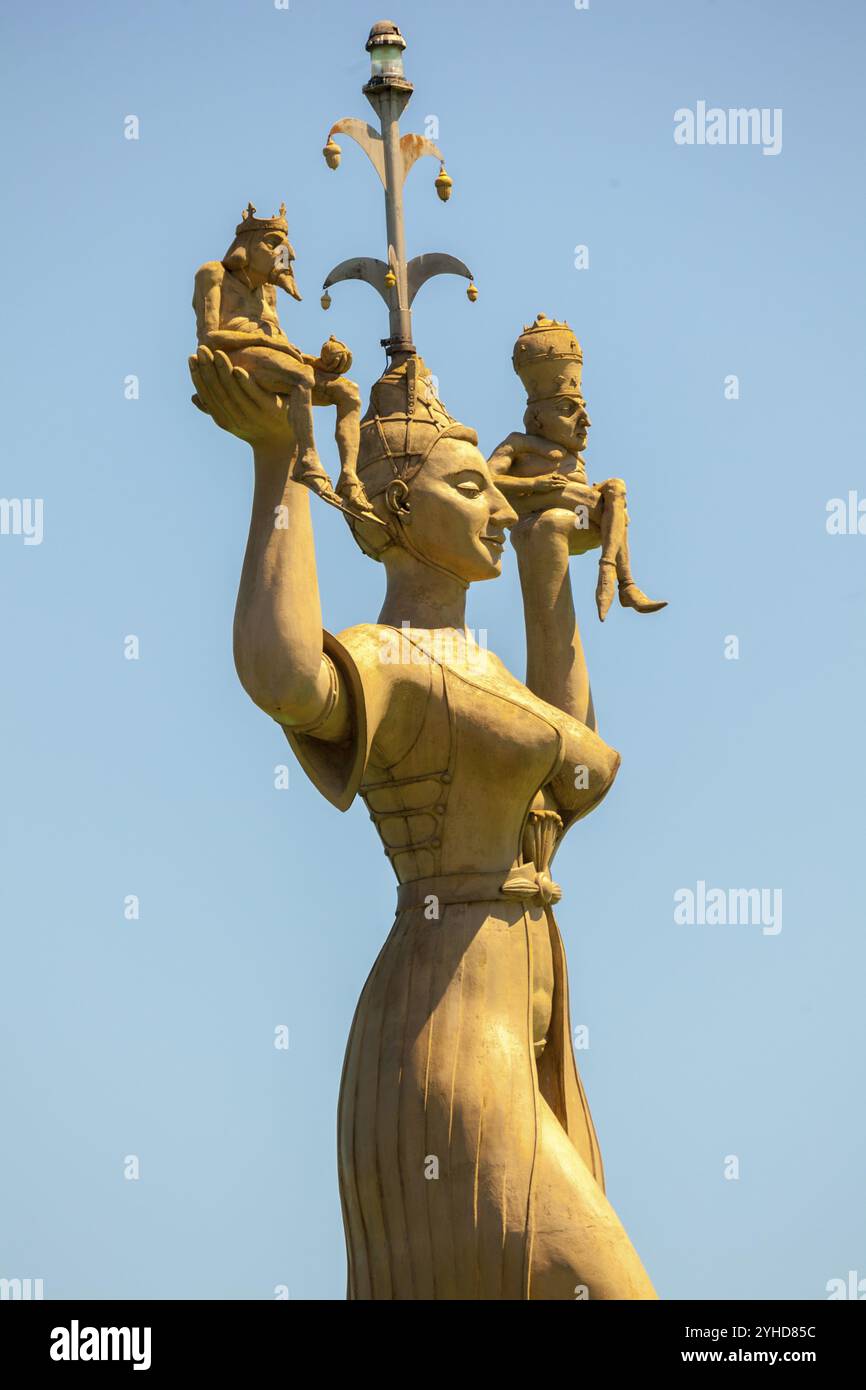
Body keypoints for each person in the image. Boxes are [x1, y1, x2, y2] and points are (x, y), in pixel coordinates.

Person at [188, 343, 658, 1300]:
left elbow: (574, 766)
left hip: (526, 1038)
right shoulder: (389, 661)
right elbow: (285, 679)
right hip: (446, 1036)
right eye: (472, 488)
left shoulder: (481, 671)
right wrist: (277, 465)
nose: (495, 506)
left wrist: (544, 562)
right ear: (399, 506)